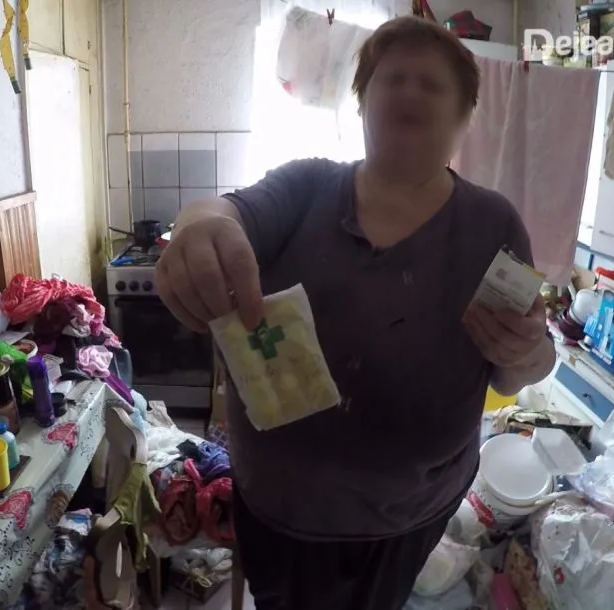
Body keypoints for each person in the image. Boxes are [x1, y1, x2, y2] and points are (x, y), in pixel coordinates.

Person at [155, 16, 556, 610]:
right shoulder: (306, 186)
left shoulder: (493, 224)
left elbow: (515, 371)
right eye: (393, 77)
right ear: (363, 101)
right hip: (279, 506)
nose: (410, 90)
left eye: (432, 83)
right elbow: (227, 212)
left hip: (409, 514)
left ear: (465, 117)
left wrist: (530, 352)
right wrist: (196, 224)